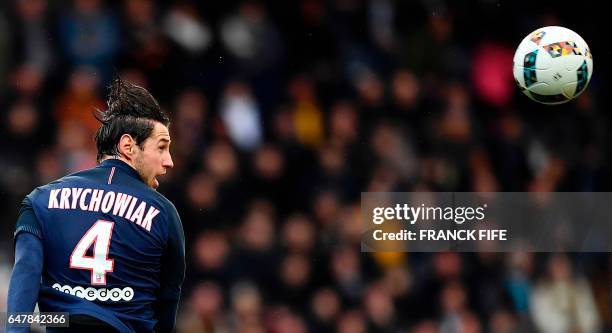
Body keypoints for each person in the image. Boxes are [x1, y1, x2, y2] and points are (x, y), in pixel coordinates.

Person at [6, 78, 185, 333]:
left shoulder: (39, 201)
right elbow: (167, 300)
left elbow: (25, 280)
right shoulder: (163, 213)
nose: (169, 161)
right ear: (128, 146)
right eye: (162, 147)